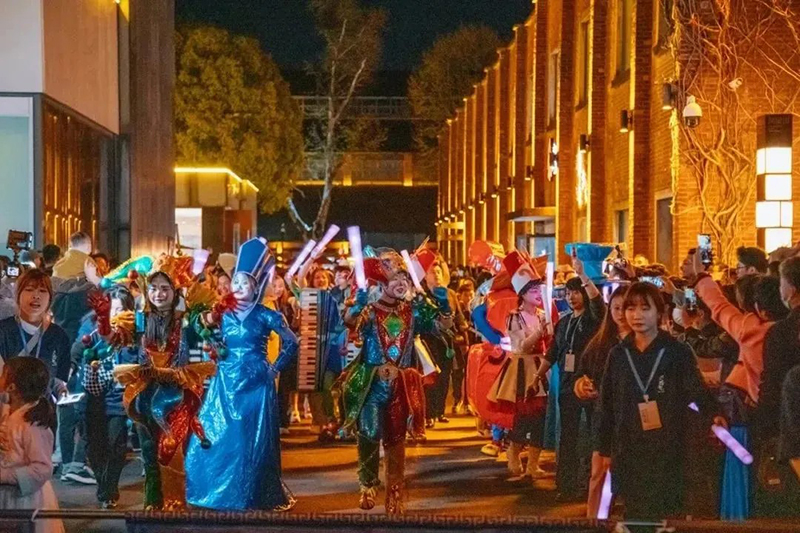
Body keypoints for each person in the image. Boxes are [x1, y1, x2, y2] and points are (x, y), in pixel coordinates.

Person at [186, 237, 299, 511]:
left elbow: (292, 342)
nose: (237, 286)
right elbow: (198, 329)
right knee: (214, 432)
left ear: (256, 287)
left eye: (245, 282)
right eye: (235, 281)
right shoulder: (223, 313)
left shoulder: (266, 314)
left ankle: (253, 493)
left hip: (256, 383)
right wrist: (212, 341)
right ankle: (213, 490)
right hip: (225, 381)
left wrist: (274, 368)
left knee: (250, 439)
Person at [337, 248, 447, 513]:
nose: (401, 283)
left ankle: (395, 490)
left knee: (396, 440)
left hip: (401, 386)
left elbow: (442, 327)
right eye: (395, 278)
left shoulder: (413, 312)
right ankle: (367, 485)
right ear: (383, 282)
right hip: (372, 385)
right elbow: (350, 322)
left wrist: (441, 304)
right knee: (369, 433)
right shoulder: (371, 311)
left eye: (405, 279)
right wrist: (358, 304)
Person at [597, 282, 710, 519]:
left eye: (645, 308)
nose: (637, 315)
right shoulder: (618, 354)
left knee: (667, 516)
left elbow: (696, 389)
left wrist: (714, 413)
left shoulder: (676, 351)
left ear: (660, 312)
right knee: (633, 515)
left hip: (669, 448)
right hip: (629, 449)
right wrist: (604, 449)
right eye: (631, 308)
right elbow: (607, 405)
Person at [113, 263, 215, 510]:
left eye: (165, 288)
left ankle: (175, 502)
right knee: (148, 451)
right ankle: (152, 502)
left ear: (175, 291)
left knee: (172, 449)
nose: (158, 294)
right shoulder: (139, 320)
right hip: (145, 395)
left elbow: (204, 326)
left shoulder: (186, 321)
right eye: (154, 288)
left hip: (176, 396)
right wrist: (107, 326)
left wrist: (213, 314)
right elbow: (113, 341)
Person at [535, 253, 605, 501]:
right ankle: (565, 486)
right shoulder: (564, 323)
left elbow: (598, 304)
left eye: (576, 292)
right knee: (568, 436)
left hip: (589, 382)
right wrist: (538, 376)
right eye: (568, 293)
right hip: (566, 384)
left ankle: (590, 485)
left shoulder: (594, 319)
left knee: (593, 434)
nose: (571, 297)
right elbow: (554, 351)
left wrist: (582, 274)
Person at [488, 252, 550, 483]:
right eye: (533, 291)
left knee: (541, 418)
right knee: (523, 417)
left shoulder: (543, 315)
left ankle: (533, 464)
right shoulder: (515, 317)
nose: (538, 295)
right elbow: (521, 346)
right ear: (522, 294)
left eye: (539, 290)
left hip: (541, 367)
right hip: (522, 369)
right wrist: (540, 331)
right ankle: (513, 453)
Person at [78, 285, 139, 509]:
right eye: (112, 309)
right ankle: (103, 484)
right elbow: (77, 351)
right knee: (94, 448)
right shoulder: (91, 329)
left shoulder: (133, 337)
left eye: (120, 309)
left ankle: (109, 490)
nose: (115, 314)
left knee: (116, 446)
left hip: (118, 402)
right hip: (92, 399)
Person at [574, 285, 630, 518]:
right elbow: (581, 374)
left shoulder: (647, 344)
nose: (621, 314)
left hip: (635, 418)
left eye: (626, 307)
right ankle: (595, 519)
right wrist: (582, 386)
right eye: (616, 308)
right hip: (604, 417)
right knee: (599, 472)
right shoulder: (600, 343)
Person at [51, 232, 100, 486]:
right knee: (84, 405)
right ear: (88, 246)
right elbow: (102, 303)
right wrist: (97, 282)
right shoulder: (89, 269)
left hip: (59, 344)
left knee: (64, 402)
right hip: (82, 345)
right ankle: (76, 464)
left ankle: (64, 459)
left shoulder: (57, 269)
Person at [0, 357, 64, 533]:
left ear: (12, 387)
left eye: (3, 376)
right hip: (8, 499)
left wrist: (5, 476)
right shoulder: (11, 415)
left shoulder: (31, 425)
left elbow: (42, 468)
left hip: (24, 501)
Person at [757, 255, 800, 516]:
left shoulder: (781, 331)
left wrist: (764, 428)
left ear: (791, 289)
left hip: (789, 430)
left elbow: (771, 384)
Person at [0, 269, 71, 384]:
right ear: (18, 295)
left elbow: (60, 379)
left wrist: (60, 389)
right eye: (29, 290)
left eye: (42, 291)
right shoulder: (3, 332)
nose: (36, 296)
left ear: (50, 299)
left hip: (45, 396)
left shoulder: (59, 336)